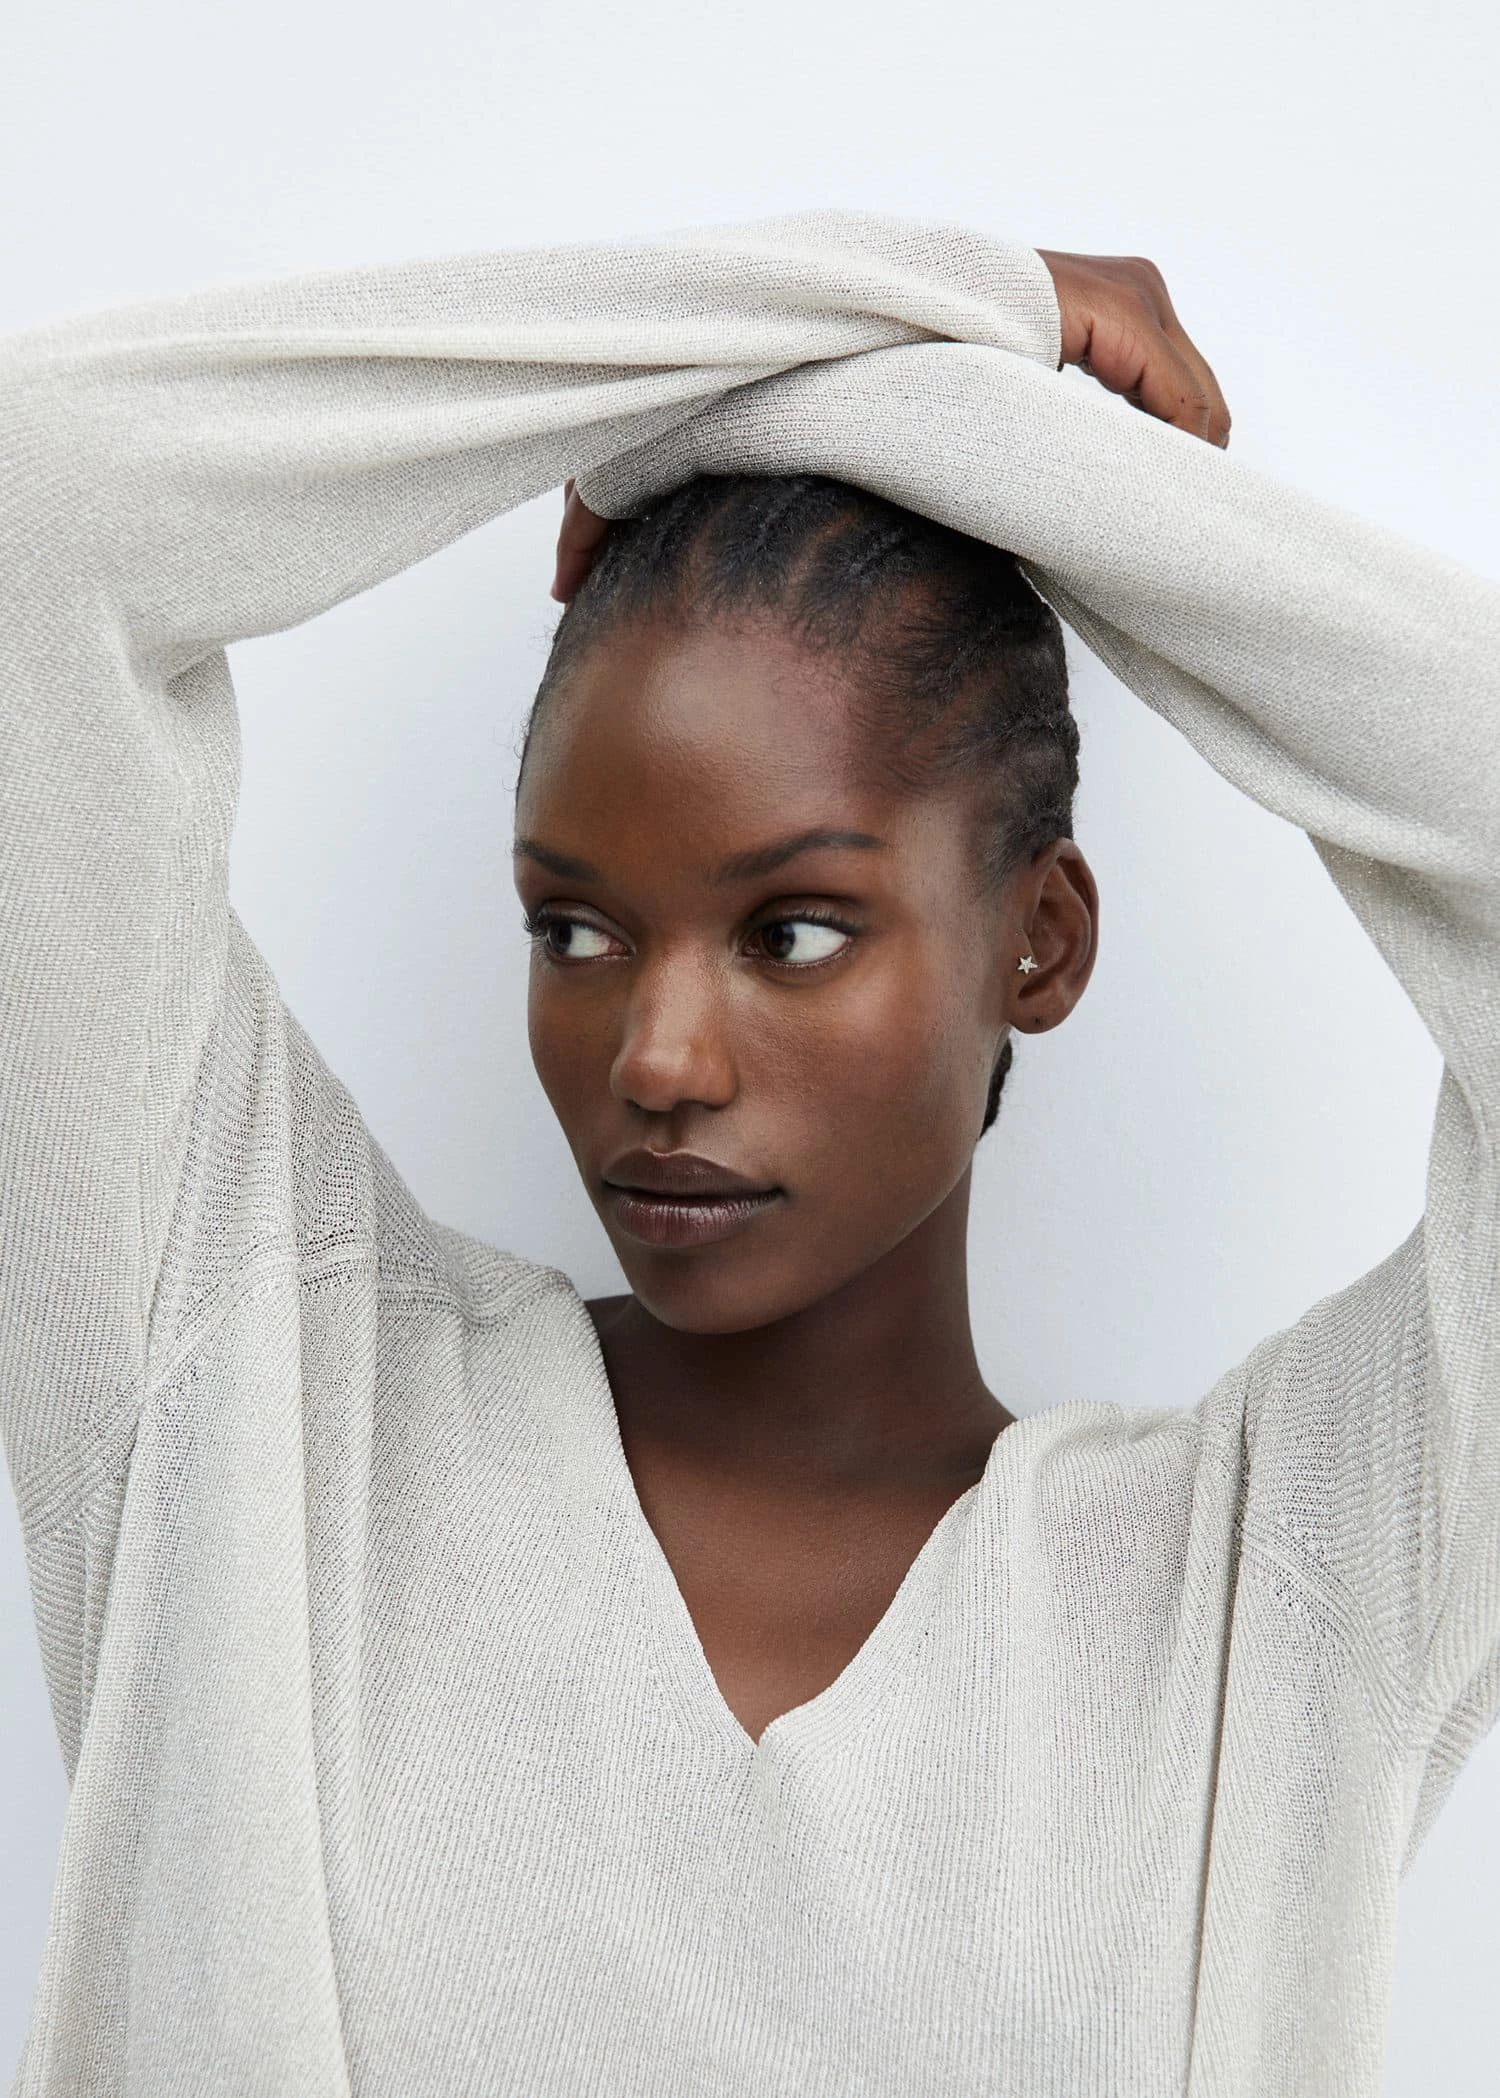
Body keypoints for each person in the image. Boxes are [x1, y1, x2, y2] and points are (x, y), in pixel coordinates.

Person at [0, 213, 1494, 2098]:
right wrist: (887, 322)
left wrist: (999, 448)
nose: (657, 1055)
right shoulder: (260, 1398)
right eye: (575, 928)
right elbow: (34, 505)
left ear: (1038, 942)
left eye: (790, 930)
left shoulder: (1278, 1590)